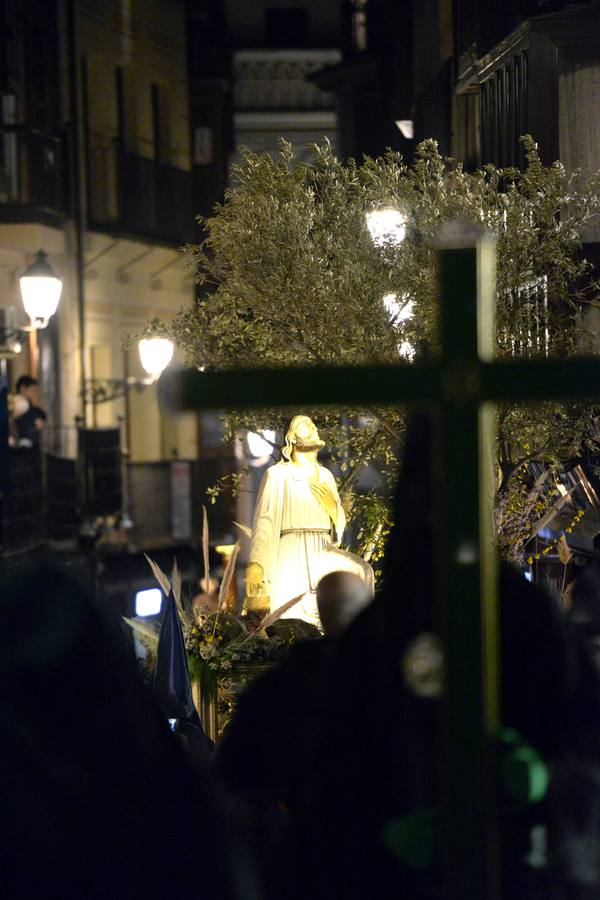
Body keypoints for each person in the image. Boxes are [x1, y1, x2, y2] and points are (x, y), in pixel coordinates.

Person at [245, 415, 374, 626]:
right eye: (305, 427)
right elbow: (265, 521)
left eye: (313, 427)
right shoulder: (278, 475)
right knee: (295, 610)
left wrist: (332, 507)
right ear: (292, 438)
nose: (312, 429)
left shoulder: (325, 476)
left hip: (323, 547)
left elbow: (338, 527)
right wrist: (256, 563)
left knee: (362, 570)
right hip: (291, 547)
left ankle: (364, 631)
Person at [14, 374, 46, 447]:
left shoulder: (29, 405)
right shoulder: (18, 403)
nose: (34, 393)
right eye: (32, 390)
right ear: (22, 388)